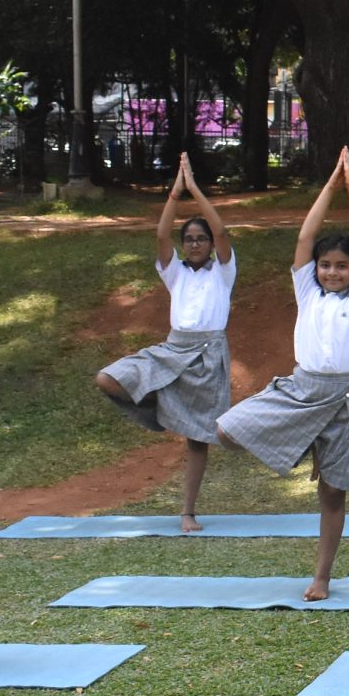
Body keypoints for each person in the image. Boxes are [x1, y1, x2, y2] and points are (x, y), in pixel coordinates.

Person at [214, 148, 349, 600]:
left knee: (333, 494)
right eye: (326, 266)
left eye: (340, 266)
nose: (332, 272)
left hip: (344, 399)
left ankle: (322, 576)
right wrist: (329, 187)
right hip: (300, 389)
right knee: (227, 431)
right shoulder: (307, 291)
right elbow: (306, 240)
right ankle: (297, 441)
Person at [96, 153, 235, 531]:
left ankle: (188, 511)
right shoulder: (175, 274)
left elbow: (222, 232)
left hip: (208, 355)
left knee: (196, 441)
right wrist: (175, 193)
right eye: (189, 240)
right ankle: (167, 408)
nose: (195, 245)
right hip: (173, 349)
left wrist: (195, 190)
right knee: (108, 378)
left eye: (200, 239)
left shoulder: (222, 272)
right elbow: (160, 235)